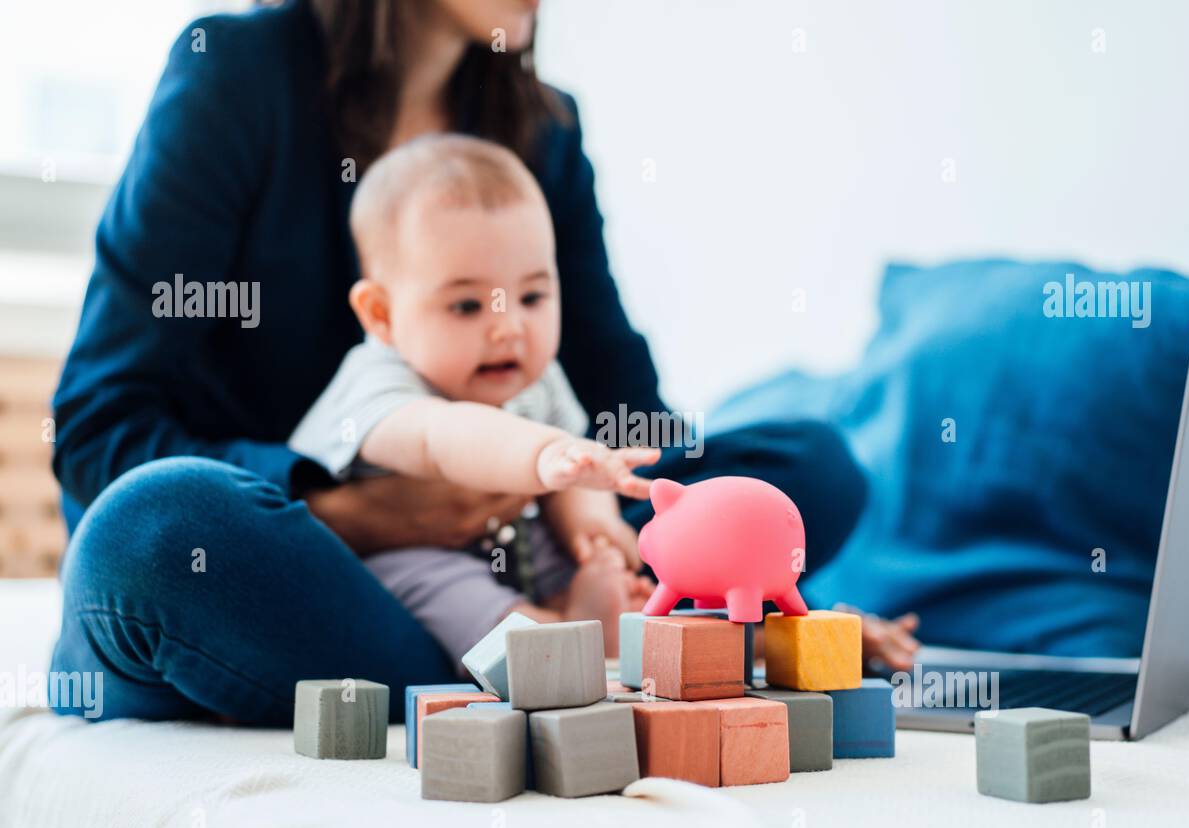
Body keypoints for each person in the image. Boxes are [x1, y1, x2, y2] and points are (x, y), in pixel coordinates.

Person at [48, 0, 906, 725]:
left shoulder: (545, 129)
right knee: (151, 535)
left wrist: (692, 549)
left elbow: (623, 412)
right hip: (311, 558)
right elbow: (100, 430)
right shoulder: (237, 76)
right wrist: (369, 510)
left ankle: (558, 651)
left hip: (534, 534)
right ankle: (533, 651)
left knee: (807, 468)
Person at [291, 132, 658, 659]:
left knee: (577, 544)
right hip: (409, 557)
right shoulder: (376, 378)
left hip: (515, 545)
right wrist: (543, 453)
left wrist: (594, 528)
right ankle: (555, 642)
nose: (508, 328)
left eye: (531, 296)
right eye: (467, 306)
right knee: (441, 586)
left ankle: (599, 617)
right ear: (381, 314)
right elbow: (442, 436)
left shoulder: (535, 373)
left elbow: (575, 462)